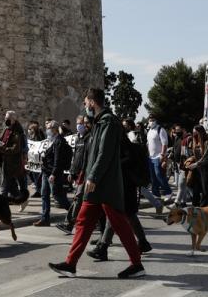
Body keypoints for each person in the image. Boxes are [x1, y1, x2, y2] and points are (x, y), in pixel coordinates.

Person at [48, 89, 145, 280]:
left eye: (86, 103)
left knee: (119, 223)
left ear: (92, 102)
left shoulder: (108, 122)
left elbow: (105, 153)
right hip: (95, 184)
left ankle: (136, 264)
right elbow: (93, 154)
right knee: (83, 222)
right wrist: (86, 175)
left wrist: (92, 177)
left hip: (105, 184)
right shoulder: (100, 123)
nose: (85, 107)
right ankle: (70, 264)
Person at [88, 120, 152, 261]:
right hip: (126, 186)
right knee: (129, 215)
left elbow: (126, 161)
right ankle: (142, 243)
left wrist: (113, 165)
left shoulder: (122, 145)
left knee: (115, 215)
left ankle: (103, 247)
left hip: (124, 186)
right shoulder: (124, 144)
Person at [56, 115, 91, 234]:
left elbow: (87, 158)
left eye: (81, 123)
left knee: (78, 198)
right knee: (87, 201)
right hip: (78, 173)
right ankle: (99, 225)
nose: (80, 125)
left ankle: (68, 224)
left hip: (86, 173)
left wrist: (83, 173)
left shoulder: (89, 138)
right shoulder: (78, 139)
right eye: (78, 123)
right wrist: (71, 171)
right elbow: (75, 157)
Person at [35, 121, 71, 226]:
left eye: (49, 128)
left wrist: (54, 174)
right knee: (44, 195)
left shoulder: (58, 141)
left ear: (54, 129)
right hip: (46, 172)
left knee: (58, 196)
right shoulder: (50, 140)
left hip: (53, 174)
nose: (47, 130)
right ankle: (45, 218)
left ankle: (75, 213)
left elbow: (57, 160)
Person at [0, 111, 28, 204]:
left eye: (8, 118)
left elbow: (15, 149)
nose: (6, 120)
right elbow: (3, 142)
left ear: (14, 120)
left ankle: (0, 207)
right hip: (5, 160)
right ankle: (22, 200)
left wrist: (3, 149)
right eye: (5, 118)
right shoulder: (6, 129)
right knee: (10, 185)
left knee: (4, 186)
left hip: (13, 162)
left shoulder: (17, 132)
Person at [146, 115, 172, 201]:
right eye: (150, 120)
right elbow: (149, 144)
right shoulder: (149, 131)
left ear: (156, 120)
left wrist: (162, 155)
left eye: (153, 120)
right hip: (151, 157)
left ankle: (168, 192)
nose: (151, 121)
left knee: (159, 175)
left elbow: (164, 143)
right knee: (153, 177)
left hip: (158, 156)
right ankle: (155, 194)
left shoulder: (160, 129)